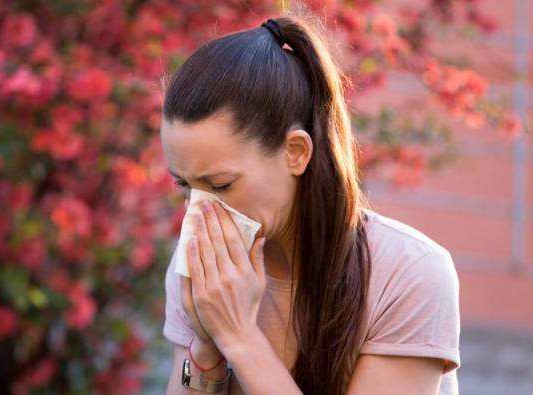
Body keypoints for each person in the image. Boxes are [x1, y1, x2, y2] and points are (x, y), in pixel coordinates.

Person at [159, 13, 460, 395]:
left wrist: (238, 335)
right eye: (185, 185)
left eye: (221, 184)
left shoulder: (407, 272)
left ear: (296, 153)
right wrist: (206, 346)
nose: (200, 211)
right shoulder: (205, 265)